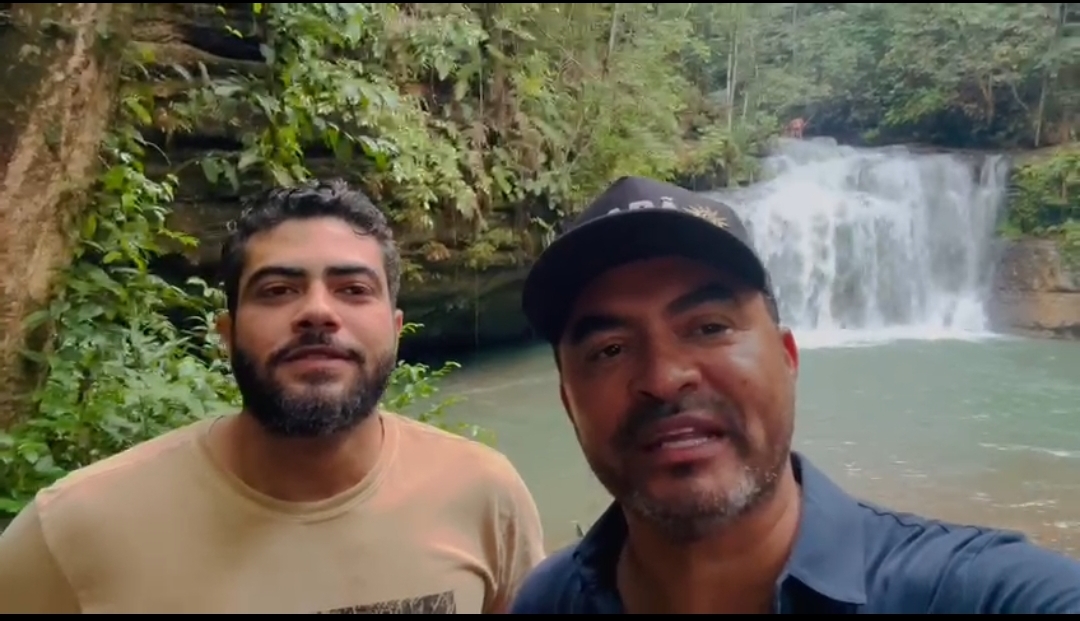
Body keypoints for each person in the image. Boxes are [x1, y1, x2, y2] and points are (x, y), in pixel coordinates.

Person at [509, 175, 1080, 614]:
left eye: (709, 327)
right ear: (568, 403)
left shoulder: (975, 593)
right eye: (609, 349)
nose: (664, 377)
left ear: (788, 358)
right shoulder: (549, 601)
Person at [0, 179, 545, 613]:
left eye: (353, 290)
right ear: (228, 333)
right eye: (278, 290)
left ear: (396, 327)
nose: (318, 312)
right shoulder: (74, 529)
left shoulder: (484, 497)